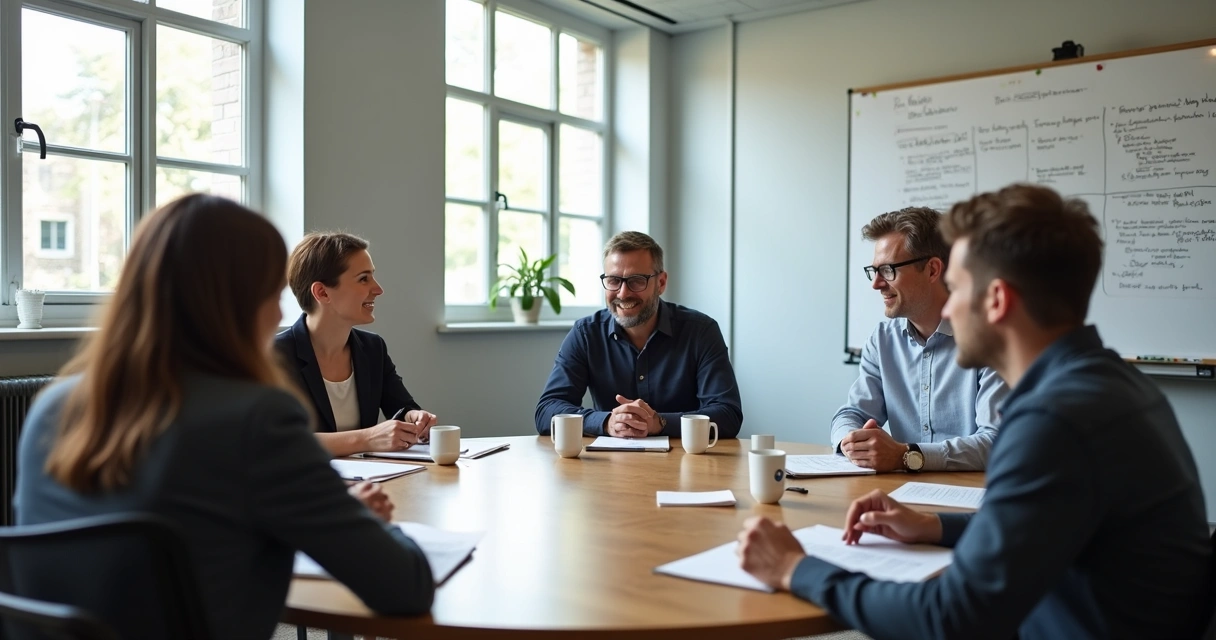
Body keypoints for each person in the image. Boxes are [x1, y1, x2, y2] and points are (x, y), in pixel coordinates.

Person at [737, 184, 1213, 639]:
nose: (951, 303)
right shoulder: (1110, 386)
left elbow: (951, 621)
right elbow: (1032, 525)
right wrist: (933, 524)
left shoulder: (1054, 423)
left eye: (958, 286)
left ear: (997, 300)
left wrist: (795, 569)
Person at [15, 195, 434, 640]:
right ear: (232, 302)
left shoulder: (51, 407)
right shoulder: (255, 418)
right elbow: (405, 586)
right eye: (269, 295)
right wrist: (357, 519)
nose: (278, 313)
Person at [833, 207, 1008, 472]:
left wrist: (907, 456)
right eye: (874, 271)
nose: (876, 284)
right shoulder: (882, 341)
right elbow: (851, 415)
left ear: (932, 270)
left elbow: (996, 441)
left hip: (971, 503)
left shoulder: (991, 338)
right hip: (902, 495)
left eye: (889, 270)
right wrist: (851, 441)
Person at [535, 231, 743, 438]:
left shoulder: (701, 331)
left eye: (636, 280)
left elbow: (727, 415)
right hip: (607, 466)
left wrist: (660, 423)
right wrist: (607, 422)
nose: (623, 293)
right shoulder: (586, 334)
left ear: (660, 283)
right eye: (614, 280)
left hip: (685, 464)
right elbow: (546, 410)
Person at [276, 232, 437, 458]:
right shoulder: (275, 356)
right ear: (322, 292)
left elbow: (402, 408)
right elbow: (281, 441)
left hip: (369, 482)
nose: (378, 289)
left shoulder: (373, 348)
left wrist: (415, 418)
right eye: (363, 279)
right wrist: (367, 438)